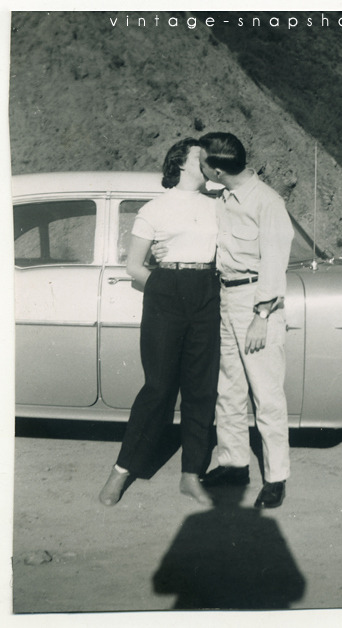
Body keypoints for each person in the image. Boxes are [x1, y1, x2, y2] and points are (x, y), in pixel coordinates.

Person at [99, 138, 220, 507]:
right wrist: (165, 283)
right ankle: (122, 470)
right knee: (158, 387)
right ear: (181, 163)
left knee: (201, 389)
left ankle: (191, 474)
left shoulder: (219, 205)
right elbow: (134, 266)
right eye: (201, 157)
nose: (209, 162)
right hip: (166, 292)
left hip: (207, 290)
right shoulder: (155, 209)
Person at [198, 132, 294, 509]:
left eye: (203, 163)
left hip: (256, 303)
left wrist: (261, 316)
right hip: (227, 296)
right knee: (229, 388)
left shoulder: (267, 202)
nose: (201, 168)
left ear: (218, 170)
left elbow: (274, 263)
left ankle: (276, 478)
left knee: (266, 396)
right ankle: (234, 463)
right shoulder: (224, 196)